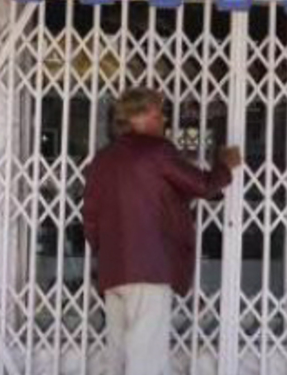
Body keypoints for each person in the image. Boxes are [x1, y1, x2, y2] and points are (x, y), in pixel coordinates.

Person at [83, 87, 242, 375]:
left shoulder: (102, 159)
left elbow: (90, 218)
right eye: (157, 115)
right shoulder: (157, 151)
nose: (163, 121)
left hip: (112, 272)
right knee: (146, 360)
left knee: (118, 358)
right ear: (137, 118)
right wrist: (225, 166)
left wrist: (107, 254)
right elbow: (202, 185)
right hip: (149, 271)